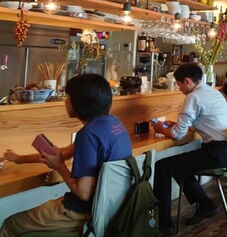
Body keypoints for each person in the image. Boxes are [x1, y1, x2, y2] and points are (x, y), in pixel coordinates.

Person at [0, 74, 132, 237]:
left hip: (81, 213)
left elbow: (84, 193)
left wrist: (59, 167)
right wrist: (19, 159)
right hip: (111, 209)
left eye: (68, 96)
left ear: (80, 102)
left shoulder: (88, 135)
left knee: (10, 225)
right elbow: (61, 154)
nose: (65, 100)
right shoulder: (112, 124)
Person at [151, 63, 227, 236]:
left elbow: (177, 135)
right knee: (178, 165)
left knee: (162, 166)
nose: (179, 89)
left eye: (179, 84)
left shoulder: (193, 97)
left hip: (216, 153)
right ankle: (205, 204)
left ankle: (164, 224)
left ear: (187, 81)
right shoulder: (213, 92)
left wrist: (160, 128)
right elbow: (207, 120)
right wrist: (178, 124)